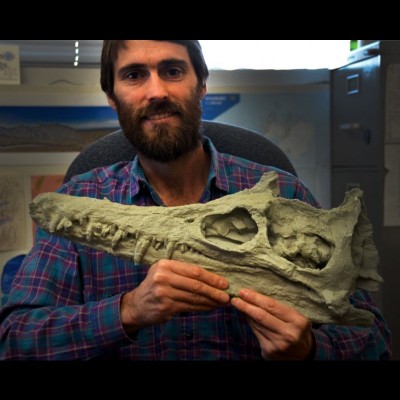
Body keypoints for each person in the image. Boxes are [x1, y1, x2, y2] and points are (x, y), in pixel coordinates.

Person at [0, 40, 392, 360]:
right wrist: (128, 311)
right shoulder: (80, 200)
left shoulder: (285, 194)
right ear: (112, 97)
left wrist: (309, 349)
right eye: (135, 75)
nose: (156, 92)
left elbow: (372, 338)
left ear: (201, 84)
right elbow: (14, 340)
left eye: (172, 71)